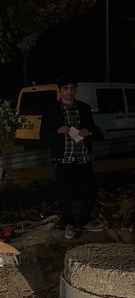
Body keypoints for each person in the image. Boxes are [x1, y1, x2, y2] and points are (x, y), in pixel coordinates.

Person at [39, 74, 105, 239]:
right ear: (60, 90)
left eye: (73, 88)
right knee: (64, 192)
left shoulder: (83, 108)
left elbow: (97, 131)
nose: (70, 92)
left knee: (90, 189)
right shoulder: (52, 109)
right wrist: (56, 131)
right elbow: (43, 135)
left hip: (83, 157)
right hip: (64, 158)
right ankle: (69, 223)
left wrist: (87, 131)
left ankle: (84, 220)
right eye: (66, 88)